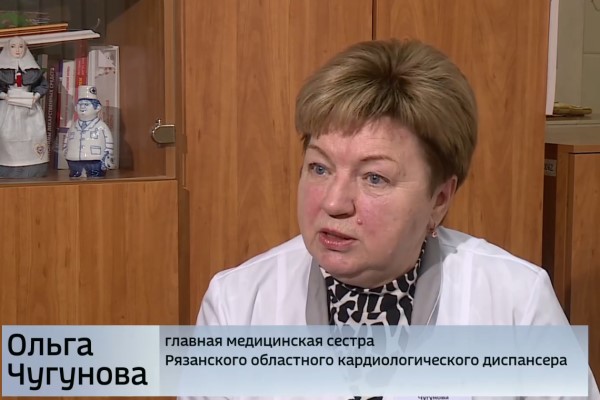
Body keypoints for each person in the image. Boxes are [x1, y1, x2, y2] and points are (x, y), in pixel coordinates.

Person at [187, 39, 600, 399]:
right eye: (319, 168)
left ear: (439, 199)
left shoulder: (514, 301)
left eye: (374, 178)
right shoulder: (237, 304)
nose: (334, 202)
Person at [0, 36, 48, 178]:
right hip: (8, 108)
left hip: (29, 108)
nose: (17, 50)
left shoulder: (33, 70)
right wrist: (4, 96)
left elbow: (42, 85)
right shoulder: (2, 70)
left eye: (21, 46)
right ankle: (8, 166)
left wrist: (36, 96)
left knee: (32, 134)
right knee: (6, 135)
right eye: (13, 46)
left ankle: (33, 166)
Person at [63, 85, 114, 178]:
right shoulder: (73, 126)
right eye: (80, 104)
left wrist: (108, 154)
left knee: (95, 175)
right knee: (75, 175)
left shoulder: (101, 127)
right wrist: (65, 151)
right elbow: (67, 139)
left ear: (97, 108)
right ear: (76, 107)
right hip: (73, 158)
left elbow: (109, 142)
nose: (82, 107)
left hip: (95, 159)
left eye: (86, 104)